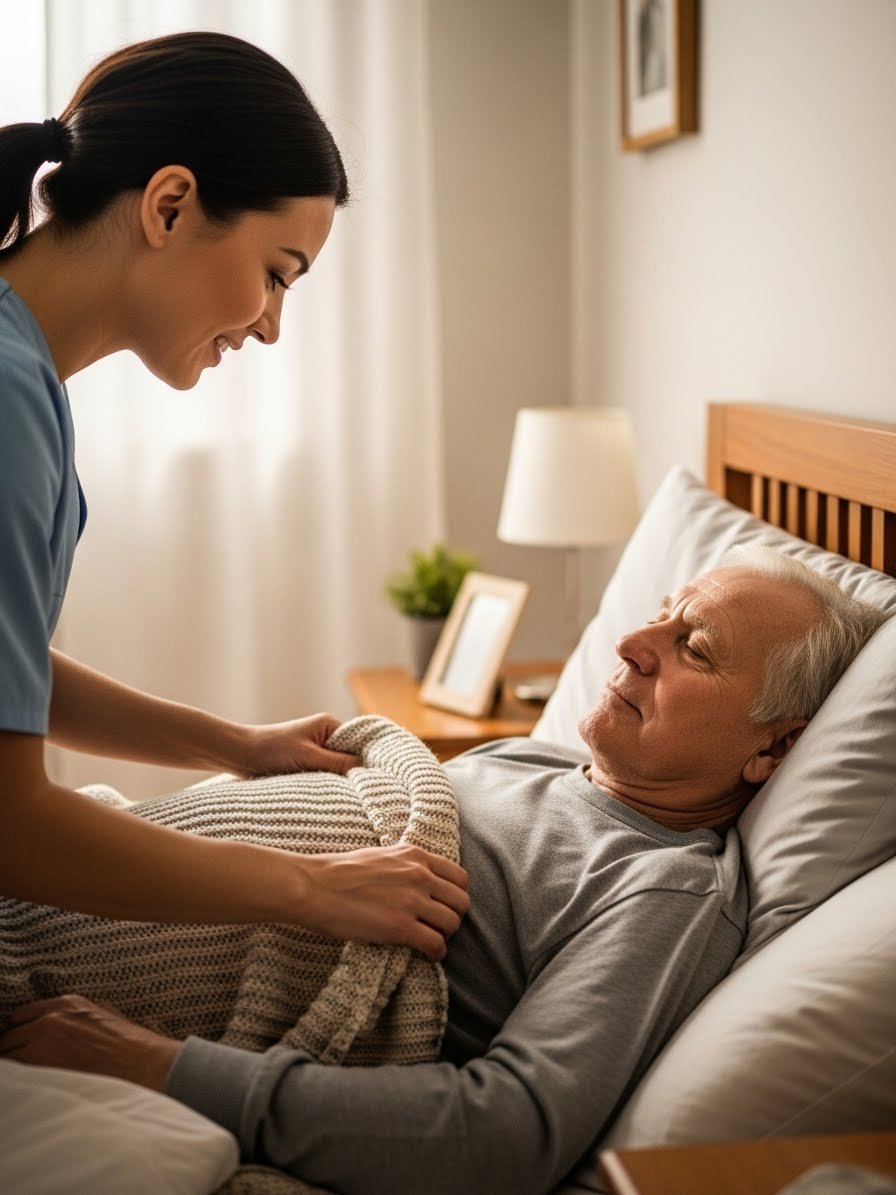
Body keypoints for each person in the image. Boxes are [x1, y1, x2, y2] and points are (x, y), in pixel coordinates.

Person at [2, 548, 887, 1195]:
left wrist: (159, 1066)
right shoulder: (539, 760)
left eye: (694, 646)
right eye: (661, 612)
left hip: (44, 993)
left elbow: (504, 1132)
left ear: (775, 747)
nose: (631, 641)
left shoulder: (665, 886)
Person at [0, 30, 468, 959]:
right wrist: (313, 888)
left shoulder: (24, 380)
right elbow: (13, 824)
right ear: (169, 205)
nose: (271, 325)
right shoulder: (10, 401)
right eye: (276, 273)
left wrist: (237, 747)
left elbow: (13, 677)